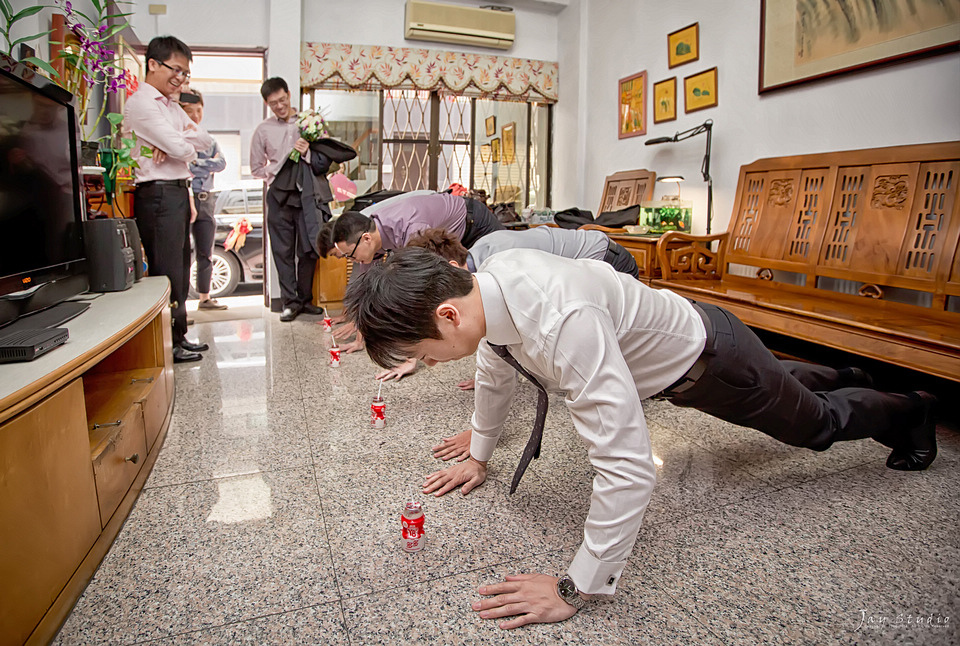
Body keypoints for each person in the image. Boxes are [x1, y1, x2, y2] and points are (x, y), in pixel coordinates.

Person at [344, 247, 938, 630]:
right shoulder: (490, 290)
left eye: (425, 353)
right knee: (795, 387)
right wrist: (479, 455)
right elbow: (494, 371)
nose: (434, 364)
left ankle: (911, 410)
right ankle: (850, 378)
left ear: (447, 315)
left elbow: (628, 466)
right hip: (689, 355)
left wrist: (575, 587)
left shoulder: (561, 319)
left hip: (712, 360)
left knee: (815, 427)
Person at [408, 225, 641, 454]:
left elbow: (535, 316)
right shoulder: (482, 275)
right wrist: (483, 431)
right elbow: (498, 342)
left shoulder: (501, 266)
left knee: (606, 367)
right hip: (576, 282)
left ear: (452, 269)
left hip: (606, 257)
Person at [317, 193, 504, 358]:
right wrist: (361, 337)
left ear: (366, 238)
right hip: (452, 233)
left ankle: (490, 368)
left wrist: (412, 358)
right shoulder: (370, 238)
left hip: (474, 222)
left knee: (490, 293)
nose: (352, 260)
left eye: (350, 254)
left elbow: (420, 295)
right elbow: (368, 290)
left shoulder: (409, 229)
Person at [123, 35, 214, 363]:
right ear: (153, 64)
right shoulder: (142, 104)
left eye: (185, 73)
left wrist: (179, 141)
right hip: (158, 194)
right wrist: (181, 144)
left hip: (176, 191)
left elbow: (204, 140)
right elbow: (184, 149)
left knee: (181, 266)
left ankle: (179, 335)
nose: (181, 78)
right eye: (176, 70)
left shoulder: (172, 106)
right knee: (165, 270)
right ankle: (167, 344)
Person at [250, 77, 326, 322]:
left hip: (306, 195)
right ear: (267, 103)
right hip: (279, 198)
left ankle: (305, 300)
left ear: (289, 94)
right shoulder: (263, 129)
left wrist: (308, 152)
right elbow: (255, 168)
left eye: (282, 100)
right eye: (273, 104)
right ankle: (289, 303)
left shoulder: (308, 122)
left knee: (308, 249)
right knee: (282, 251)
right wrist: (273, 176)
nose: (280, 106)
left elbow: (324, 161)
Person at [409, 225, 641, 278]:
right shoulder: (480, 251)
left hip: (610, 261)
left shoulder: (502, 262)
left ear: (452, 266)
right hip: (591, 259)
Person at [179, 88, 227, 311]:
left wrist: (198, 164)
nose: (195, 115)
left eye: (198, 110)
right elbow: (186, 167)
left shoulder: (209, 140)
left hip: (207, 200)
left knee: (205, 251)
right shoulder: (178, 137)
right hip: (186, 197)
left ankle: (205, 298)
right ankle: (177, 304)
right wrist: (204, 165)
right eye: (190, 111)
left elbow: (221, 163)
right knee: (182, 253)